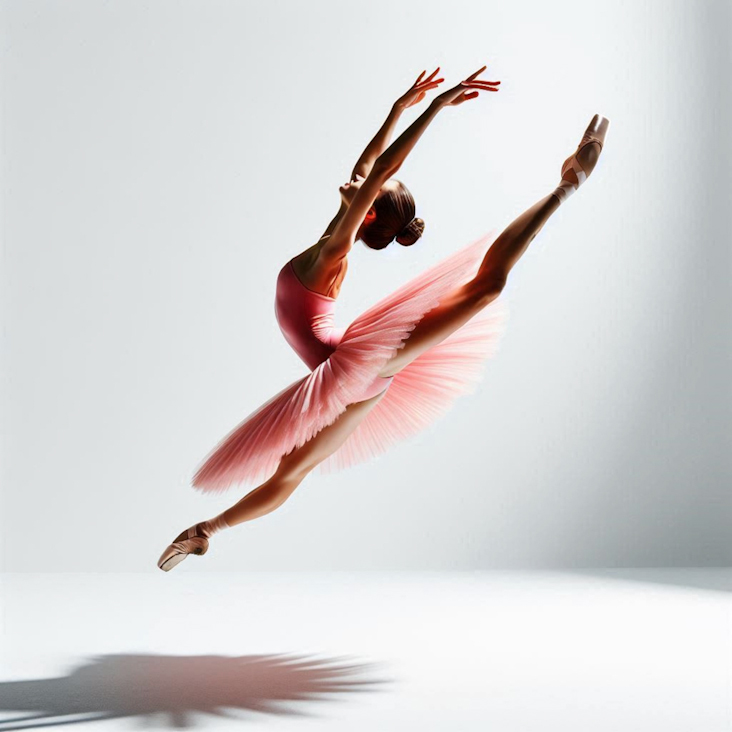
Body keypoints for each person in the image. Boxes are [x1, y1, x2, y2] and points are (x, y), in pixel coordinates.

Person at [158, 65, 610, 571]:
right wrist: (400, 107)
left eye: (372, 186)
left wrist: (435, 110)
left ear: (368, 212)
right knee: (289, 473)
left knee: (486, 287)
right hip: (348, 379)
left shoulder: (334, 249)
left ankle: (566, 186)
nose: (357, 177)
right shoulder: (335, 229)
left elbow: (373, 172)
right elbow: (370, 164)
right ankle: (204, 533)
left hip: (355, 362)